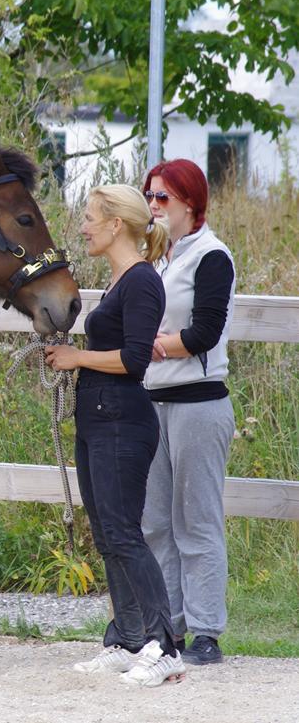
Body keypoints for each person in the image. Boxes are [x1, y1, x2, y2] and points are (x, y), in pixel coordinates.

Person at [44, 184, 185, 687]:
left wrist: (76, 357)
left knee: (124, 533)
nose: (82, 226)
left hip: (122, 419)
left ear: (114, 225)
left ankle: (165, 646)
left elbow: (135, 358)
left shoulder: (143, 282)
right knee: (107, 535)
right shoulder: (121, 280)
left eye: (88, 217)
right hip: (98, 418)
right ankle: (128, 639)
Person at [141, 159, 236, 665]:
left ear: (190, 204)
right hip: (153, 404)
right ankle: (168, 626)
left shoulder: (211, 257)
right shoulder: (156, 258)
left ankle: (205, 632)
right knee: (155, 521)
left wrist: (151, 347)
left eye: (162, 198)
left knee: (196, 522)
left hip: (198, 404)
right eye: (150, 197)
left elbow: (206, 333)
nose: (153, 206)